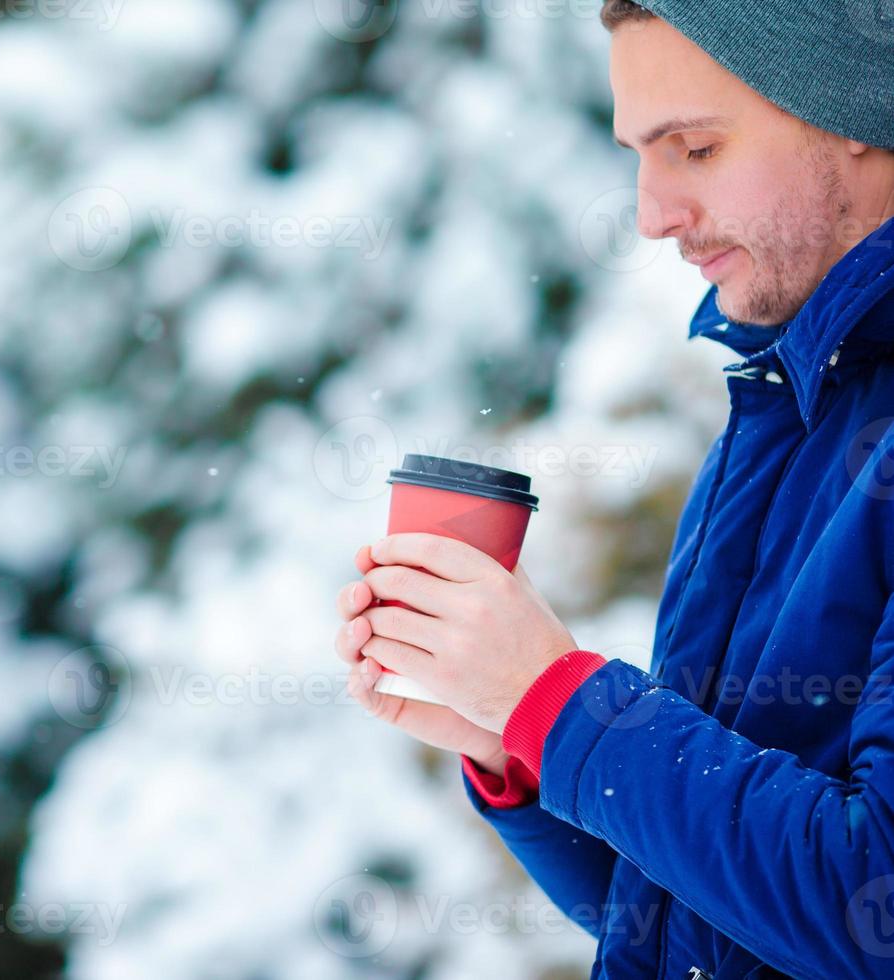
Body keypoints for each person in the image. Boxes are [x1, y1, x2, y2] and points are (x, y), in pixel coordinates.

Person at [334, 2, 894, 977]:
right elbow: (707, 930)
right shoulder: (783, 414)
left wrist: (557, 699)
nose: (651, 213)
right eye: (642, 154)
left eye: (695, 148)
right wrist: (521, 736)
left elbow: (870, 904)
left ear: (853, 112)